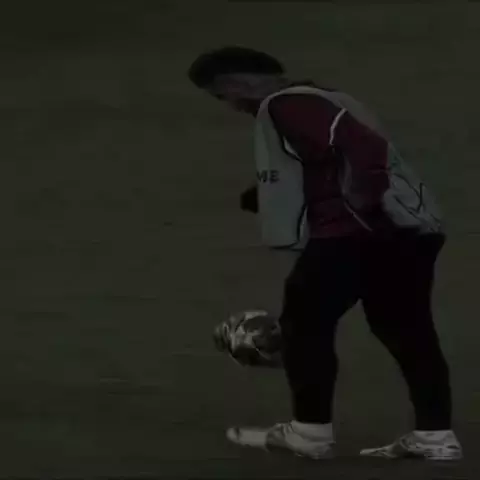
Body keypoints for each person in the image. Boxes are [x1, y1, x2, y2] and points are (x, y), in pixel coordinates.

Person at [187, 46, 462, 461]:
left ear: (235, 83)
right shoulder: (328, 98)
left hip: (356, 234)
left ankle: (309, 432)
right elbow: (328, 159)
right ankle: (435, 435)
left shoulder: (285, 105)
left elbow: (364, 151)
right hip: (409, 233)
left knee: (304, 326)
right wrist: (264, 196)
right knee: (407, 331)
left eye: (221, 95)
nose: (230, 106)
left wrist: (364, 209)